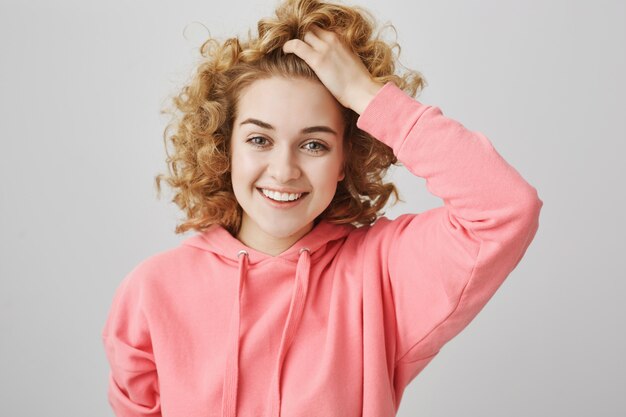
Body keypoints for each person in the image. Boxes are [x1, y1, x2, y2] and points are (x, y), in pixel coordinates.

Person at [101, 0, 543, 416]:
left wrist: (366, 95)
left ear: (344, 160)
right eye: (259, 139)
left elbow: (506, 207)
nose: (284, 169)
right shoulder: (152, 291)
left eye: (314, 144)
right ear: (224, 147)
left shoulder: (383, 274)